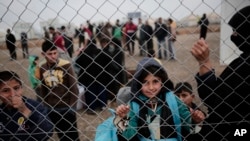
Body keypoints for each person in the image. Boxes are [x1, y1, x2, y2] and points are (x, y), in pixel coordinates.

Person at [191, 6, 250, 140]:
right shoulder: (242, 60)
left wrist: (204, 61)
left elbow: (215, 99)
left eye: (237, 31)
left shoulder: (245, 66)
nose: (233, 35)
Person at [115, 57, 194, 140]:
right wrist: (123, 119)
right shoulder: (134, 104)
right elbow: (128, 136)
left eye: (155, 81)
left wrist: (195, 121)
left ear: (162, 82)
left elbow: (191, 128)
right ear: (138, 83)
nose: (151, 87)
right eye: (145, 82)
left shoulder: (173, 100)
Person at [38, 40, 80, 140]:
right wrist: (46, 105)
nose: (53, 56)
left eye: (55, 53)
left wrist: (71, 107)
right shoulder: (42, 67)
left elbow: (74, 88)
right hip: (52, 108)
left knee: (73, 136)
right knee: (61, 135)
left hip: (66, 107)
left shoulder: (66, 65)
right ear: (43, 54)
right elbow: (43, 88)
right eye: (49, 54)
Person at [0, 70, 53, 141]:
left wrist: (25, 110)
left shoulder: (35, 106)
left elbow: (47, 132)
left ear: (21, 88)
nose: (13, 94)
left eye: (16, 88)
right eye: (6, 91)